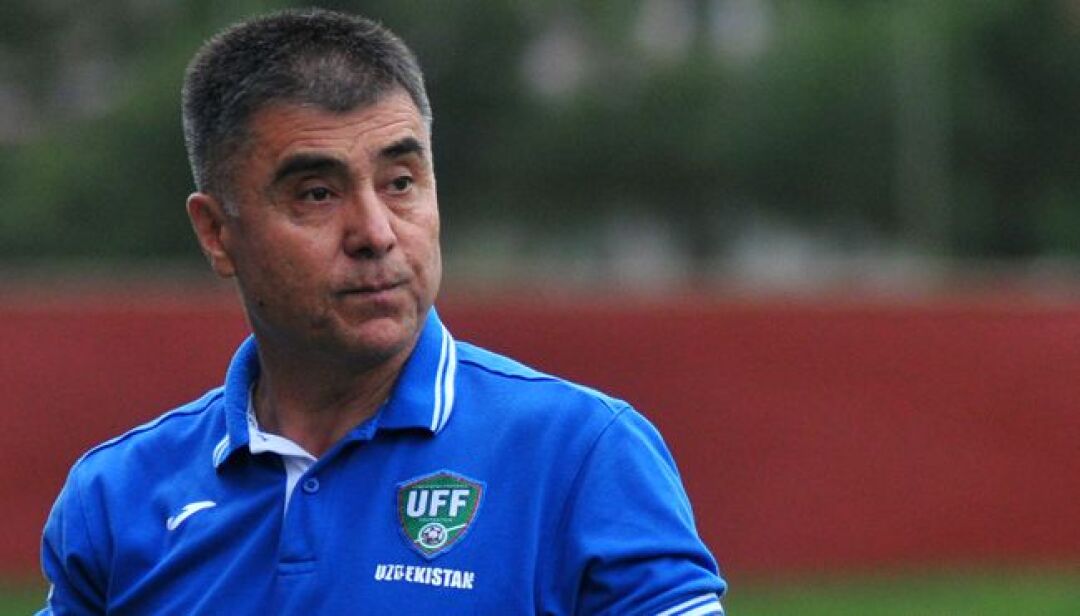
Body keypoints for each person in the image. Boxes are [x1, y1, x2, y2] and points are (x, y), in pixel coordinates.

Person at [38, 8, 726, 615]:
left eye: (400, 182)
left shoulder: (582, 455)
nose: (375, 232)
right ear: (217, 234)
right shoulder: (116, 500)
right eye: (317, 194)